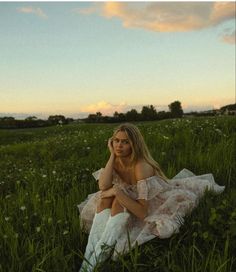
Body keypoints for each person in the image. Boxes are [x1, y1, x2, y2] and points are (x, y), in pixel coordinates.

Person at [78, 123, 224, 272]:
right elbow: (103, 186)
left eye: (125, 142)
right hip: (128, 195)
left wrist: (117, 192)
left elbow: (143, 212)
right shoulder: (116, 159)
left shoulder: (141, 166)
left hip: (150, 199)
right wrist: (111, 155)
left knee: (117, 199)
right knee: (104, 199)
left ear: (134, 145)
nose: (119, 146)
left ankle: (93, 262)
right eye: (116, 140)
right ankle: (89, 257)